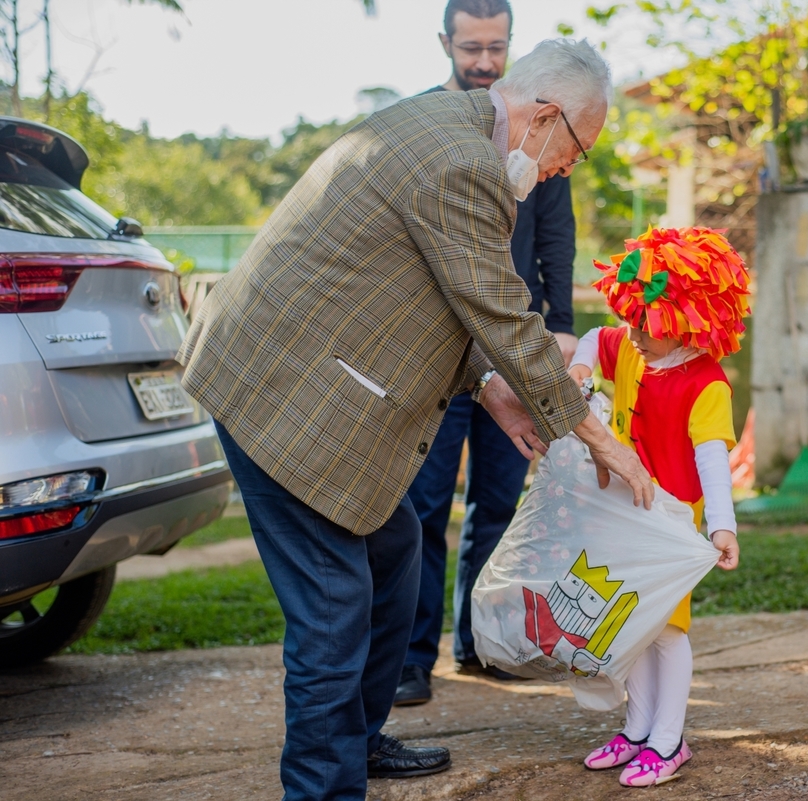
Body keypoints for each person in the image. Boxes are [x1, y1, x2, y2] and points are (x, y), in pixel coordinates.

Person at [177, 39, 656, 801]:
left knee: (395, 550)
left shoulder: (448, 128)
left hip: (298, 372)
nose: (569, 167)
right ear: (544, 118)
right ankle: (325, 787)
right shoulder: (463, 164)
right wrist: (599, 437)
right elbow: (502, 313)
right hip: (283, 396)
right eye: (579, 148)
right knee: (333, 608)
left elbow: (432, 295)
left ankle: (358, 739)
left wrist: (491, 388)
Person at [394, 0, 581, 707]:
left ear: (509, 43)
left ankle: (480, 642)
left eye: (495, 47)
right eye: (470, 47)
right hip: (440, 353)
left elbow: (556, 237)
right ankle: (413, 659)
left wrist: (561, 326)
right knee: (423, 507)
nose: (483, 60)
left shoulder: (538, 126)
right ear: (444, 42)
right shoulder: (429, 122)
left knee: (498, 505)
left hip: (515, 348)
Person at [566, 226, 748, 787]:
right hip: (621, 512)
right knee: (631, 622)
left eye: (646, 324)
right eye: (631, 320)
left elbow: (713, 461)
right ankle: (637, 729)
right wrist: (580, 367)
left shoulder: (707, 384)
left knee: (667, 629)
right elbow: (595, 337)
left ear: (686, 321)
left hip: (672, 525)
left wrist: (721, 527)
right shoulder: (632, 345)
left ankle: (668, 740)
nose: (634, 333)